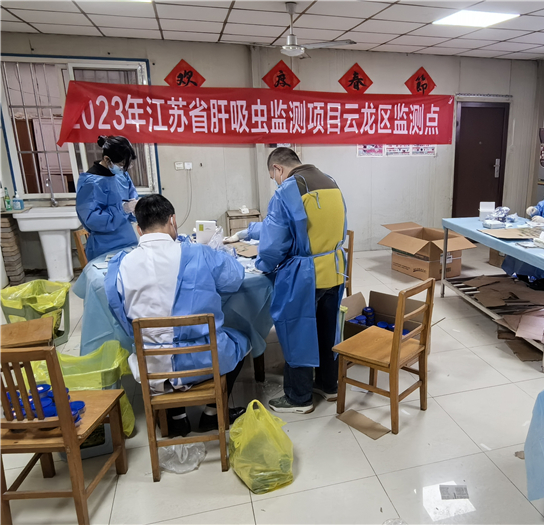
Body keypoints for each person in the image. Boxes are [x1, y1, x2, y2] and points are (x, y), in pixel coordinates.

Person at [105, 194, 248, 436]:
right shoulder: (198, 253)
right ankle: (212, 414)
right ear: (173, 221)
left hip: (152, 365)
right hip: (203, 360)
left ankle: (176, 418)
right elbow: (234, 279)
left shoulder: (120, 265)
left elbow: (122, 317)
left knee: (159, 345)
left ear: (139, 229)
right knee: (240, 340)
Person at [229, 147, 346, 414]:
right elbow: (297, 225)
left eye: (274, 177)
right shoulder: (330, 183)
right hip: (335, 269)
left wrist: (261, 266)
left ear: (277, 169)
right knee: (327, 330)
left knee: (298, 334)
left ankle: (299, 397)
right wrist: (248, 231)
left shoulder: (288, 190)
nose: (275, 182)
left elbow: (274, 243)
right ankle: (329, 385)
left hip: (305, 276)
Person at [76, 135, 140, 261]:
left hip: (128, 240)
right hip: (105, 246)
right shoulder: (91, 183)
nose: (124, 168)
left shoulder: (122, 175)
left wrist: (135, 208)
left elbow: (132, 198)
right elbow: (91, 219)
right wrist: (122, 209)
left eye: (127, 165)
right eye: (121, 164)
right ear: (107, 159)